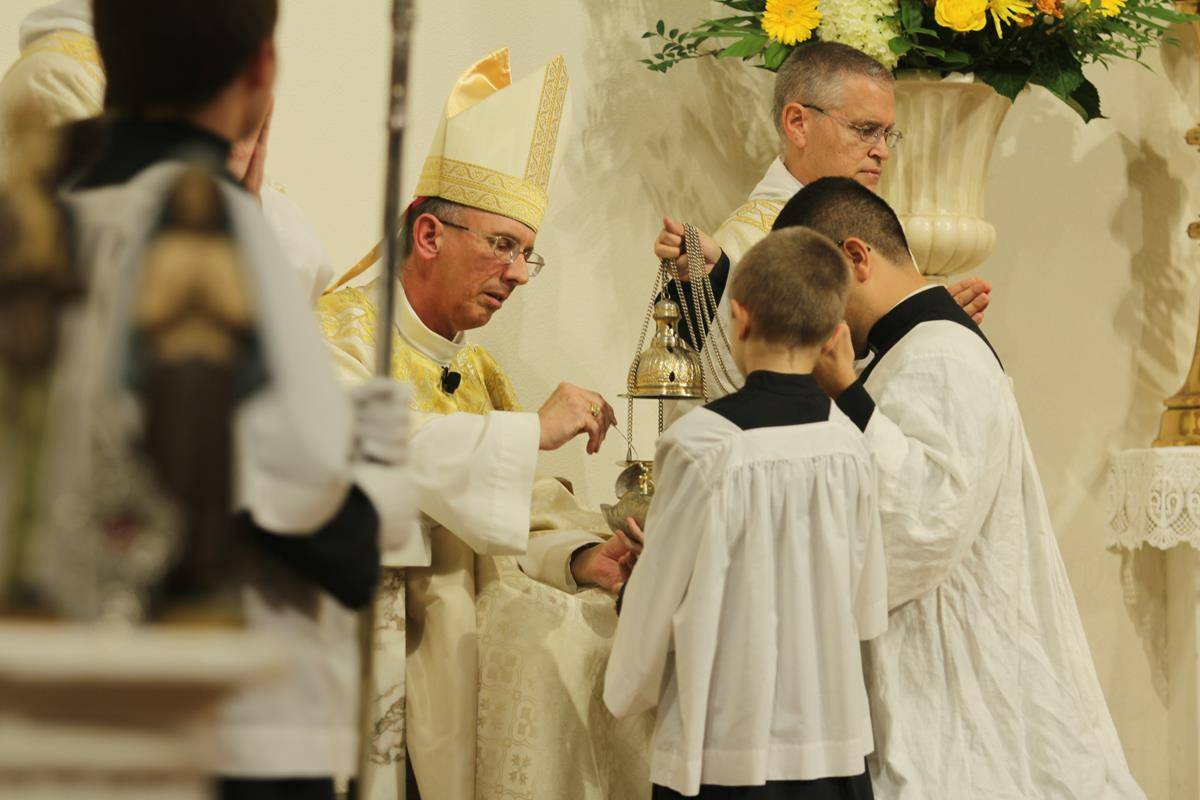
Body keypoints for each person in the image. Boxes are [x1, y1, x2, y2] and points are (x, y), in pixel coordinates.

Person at [61, 1, 413, 797]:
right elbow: (297, 506)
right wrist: (369, 490)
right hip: (233, 720)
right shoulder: (213, 225)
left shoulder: (47, 216)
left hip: (70, 706)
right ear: (262, 74)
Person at [319, 48, 650, 800]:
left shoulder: (478, 371)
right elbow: (360, 463)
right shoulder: (338, 335)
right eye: (503, 246)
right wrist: (529, 432)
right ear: (430, 235)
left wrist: (583, 556)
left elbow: (519, 511)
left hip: (461, 662)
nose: (517, 275)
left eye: (529, 255)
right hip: (371, 663)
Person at [775, 177, 1145, 800]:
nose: (812, 317)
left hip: (962, 694)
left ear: (855, 258)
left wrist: (847, 396)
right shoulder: (913, 351)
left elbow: (922, 523)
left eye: (813, 288)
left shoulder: (938, 355)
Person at [605, 226, 886, 800]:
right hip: (831, 744)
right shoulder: (850, 443)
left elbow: (657, 599)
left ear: (738, 317)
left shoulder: (702, 444)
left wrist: (625, 687)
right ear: (835, 335)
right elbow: (867, 605)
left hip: (728, 750)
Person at [650, 41, 989, 398]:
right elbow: (719, 388)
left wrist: (920, 323)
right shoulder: (747, 241)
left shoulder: (874, 227)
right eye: (865, 130)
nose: (883, 151)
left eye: (887, 133)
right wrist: (715, 282)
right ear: (798, 124)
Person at [0, 0, 335, 303]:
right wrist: (220, 214)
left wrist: (237, 204)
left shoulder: (198, 67)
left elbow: (308, 266)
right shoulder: (56, 77)